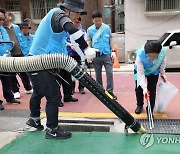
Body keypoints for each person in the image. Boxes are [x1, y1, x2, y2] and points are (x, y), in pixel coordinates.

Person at [26, 0, 98, 139]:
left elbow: (64, 43)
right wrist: (87, 48)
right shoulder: (58, 14)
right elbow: (72, 29)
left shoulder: (56, 23)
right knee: (54, 96)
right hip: (39, 63)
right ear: (68, 9)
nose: (78, 16)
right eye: (76, 12)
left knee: (39, 91)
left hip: (39, 63)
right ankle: (52, 129)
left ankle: (34, 119)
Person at [87, 11, 117, 100]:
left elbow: (110, 40)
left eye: (99, 20)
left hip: (107, 53)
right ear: (93, 20)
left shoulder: (107, 28)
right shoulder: (89, 30)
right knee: (98, 74)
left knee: (110, 73)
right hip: (96, 54)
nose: (98, 22)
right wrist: (89, 52)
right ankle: (100, 92)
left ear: (101, 19)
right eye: (96, 20)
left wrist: (113, 51)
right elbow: (89, 41)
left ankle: (110, 91)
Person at [3, 12, 33, 99]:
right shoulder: (2, 29)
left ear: (8, 17)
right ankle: (15, 91)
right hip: (9, 54)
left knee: (23, 72)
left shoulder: (16, 27)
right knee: (12, 74)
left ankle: (28, 88)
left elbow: (22, 37)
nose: (4, 19)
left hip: (20, 52)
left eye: (5, 17)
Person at [134, 40, 166, 115]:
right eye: (148, 56)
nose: (151, 58)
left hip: (154, 71)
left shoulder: (162, 52)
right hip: (140, 70)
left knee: (152, 89)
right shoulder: (140, 56)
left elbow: (163, 63)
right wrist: (144, 88)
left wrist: (162, 73)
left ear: (158, 53)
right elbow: (141, 74)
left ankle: (150, 108)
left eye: (154, 56)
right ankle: (139, 105)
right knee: (139, 88)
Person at [0, 8, 20, 110]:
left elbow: (7, 43)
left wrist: (8, 54)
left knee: (6, 79)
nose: (1, 21)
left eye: (2, 19)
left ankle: (9, 97)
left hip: (5, 58)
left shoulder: (3, 29)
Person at [66, 17, 87, 94]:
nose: (76, 24)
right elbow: (64, 41)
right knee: (71, 71)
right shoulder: (67, 32)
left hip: (80, 54)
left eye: (77, 22)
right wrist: (70, 45)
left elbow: (84, 41)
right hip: (70, 54)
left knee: (81, 71)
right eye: (74, 22)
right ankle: (72, 88)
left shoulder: (83, 32)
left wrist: (76, 46)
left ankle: (81, 88)